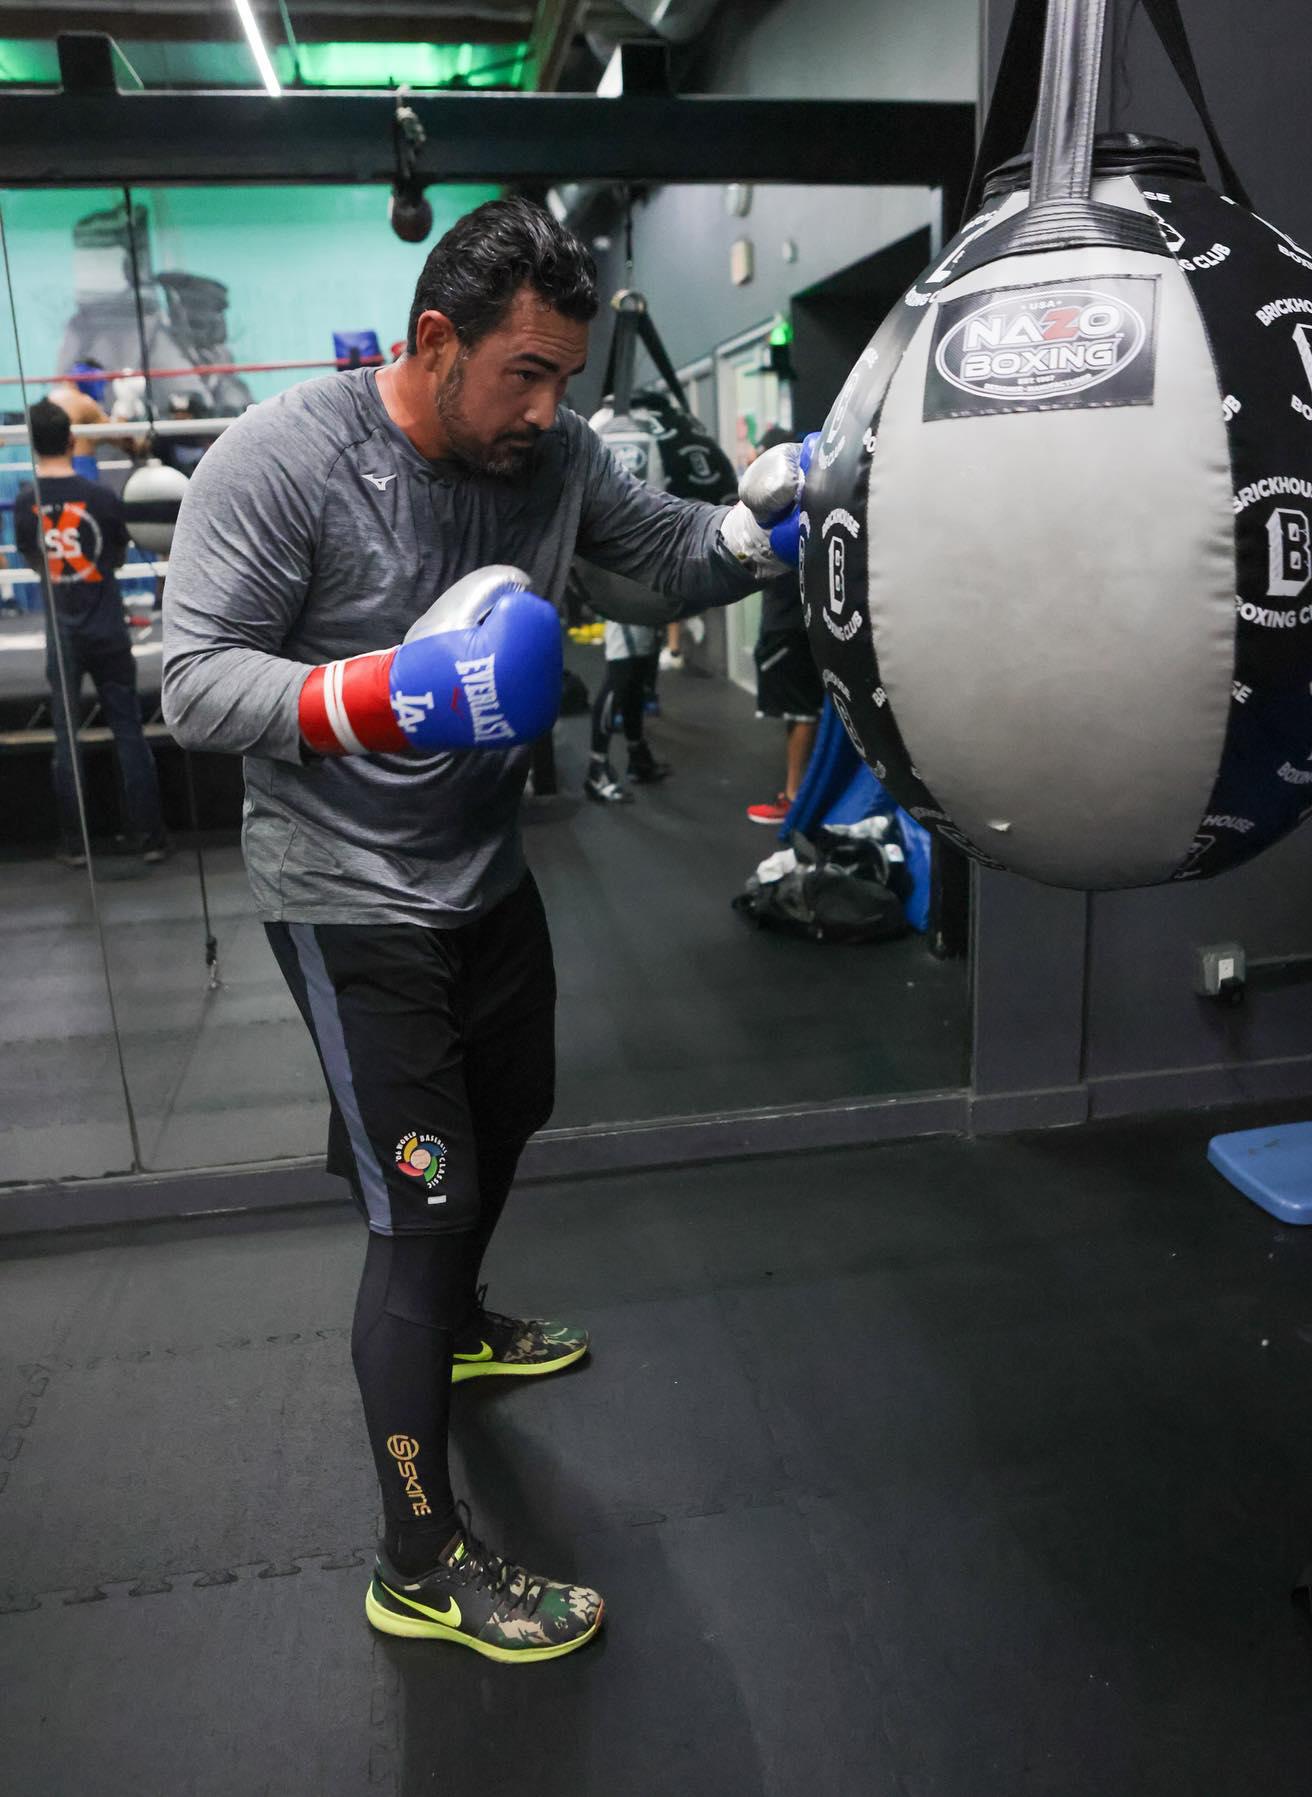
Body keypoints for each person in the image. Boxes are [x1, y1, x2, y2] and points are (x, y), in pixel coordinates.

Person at [161, 196, 801, 1667]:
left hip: (484, 877)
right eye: (524, 374)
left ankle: (456, 1316)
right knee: (422, 1205)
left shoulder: (556, 456)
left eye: (567, 378)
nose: (549, 409)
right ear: (434, 342)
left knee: (513, 1110)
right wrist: (374, 694)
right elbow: (192, 686)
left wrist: (773, 514)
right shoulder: (288, 462)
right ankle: (419, 1556)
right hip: (343, 896)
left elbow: (675, 557)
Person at [15, 399, 167, 866]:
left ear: (32, 442)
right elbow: (117, 557)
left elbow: (34, 560)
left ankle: (75, 844)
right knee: (128, 731)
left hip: (63, 635)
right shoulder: (101, 498)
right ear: (70, 439)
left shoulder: (26, 501)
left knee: (66, 737)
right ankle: (150, 839)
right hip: (107, 628)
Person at [746, 428, 824, 826]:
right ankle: (799, 793)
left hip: (791, 625)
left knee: (804, 712)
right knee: (798, 713)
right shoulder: (778, 509)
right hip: (787, 622)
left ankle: (794, 797)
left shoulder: (803, 509)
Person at [584, 616, 670, 803]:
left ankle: (638, 758)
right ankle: (596, 771)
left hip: (645, 615)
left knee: (635, 685)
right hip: (623, 615)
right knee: (617, 685)